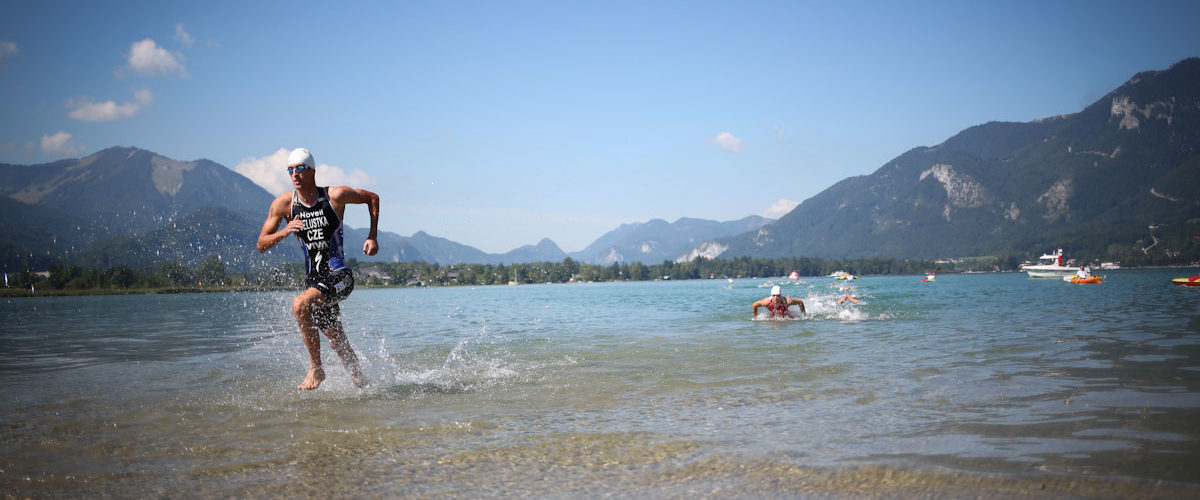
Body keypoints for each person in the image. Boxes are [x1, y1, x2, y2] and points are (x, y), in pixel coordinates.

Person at [257, 147, 380, 390]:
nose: (295, 175)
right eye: (290, 170)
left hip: (339, 275)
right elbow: (261, 243)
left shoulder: (334, 196)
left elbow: (372, 197)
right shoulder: (285, 204)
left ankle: (316, 369)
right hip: (315, 282)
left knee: (300, 305)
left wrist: (372, 236)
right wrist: (284, 231)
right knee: (337, 342)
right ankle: (363, 384)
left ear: (312, 171)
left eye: (300, 169)